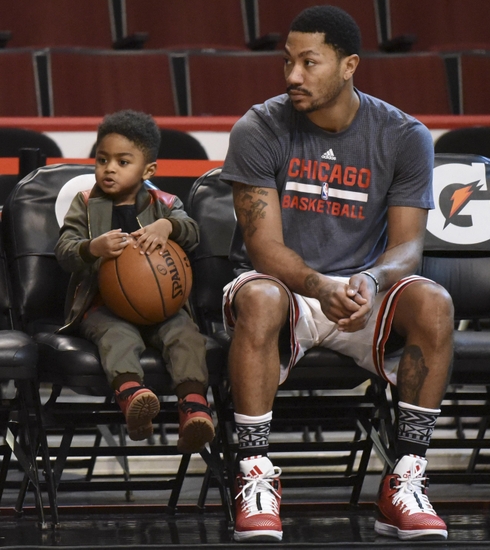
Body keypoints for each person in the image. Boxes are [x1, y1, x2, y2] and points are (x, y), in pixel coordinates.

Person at [220, 5, 454, 543]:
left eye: (309, 62)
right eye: (287, 62)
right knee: (258, 297)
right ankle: (254, 474)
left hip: (359, 292)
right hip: (284, 289)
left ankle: (405, 477)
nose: (293, 76)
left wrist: (370, 281)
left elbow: (407, 248)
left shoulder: (403, 135)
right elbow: (263, 248)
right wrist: (320, 287)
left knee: (434, 302)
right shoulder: (259, 126)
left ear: (349, 65)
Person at [55, 109, 215, 453]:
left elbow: (194, 233)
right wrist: (91, 247)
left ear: (148, 170)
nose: (109, 168)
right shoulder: (84, 205)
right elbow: (64, 251)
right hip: (103, 306)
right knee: (117, 336)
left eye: (122, 161)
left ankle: (194, 407)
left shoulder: (166, 204)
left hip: (163, 306)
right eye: (102, 159)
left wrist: (168, 226)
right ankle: (133, 397)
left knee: (186, 336)